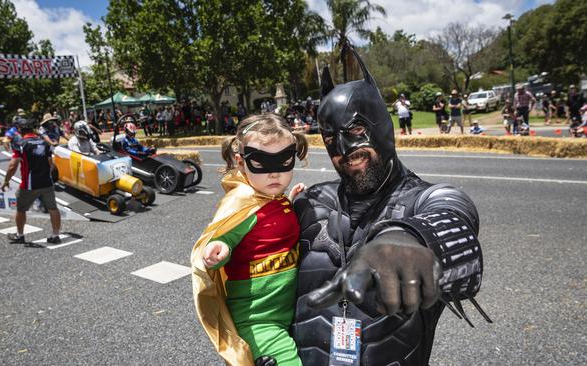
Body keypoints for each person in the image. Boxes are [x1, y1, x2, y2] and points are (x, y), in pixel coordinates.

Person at [291, 47, 488, 366]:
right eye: (330, 140)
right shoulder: (309, 204)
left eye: (356, 132)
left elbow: (453, 211)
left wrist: (410, 237)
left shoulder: (420, 200)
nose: (343, 150)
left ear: (384, 125)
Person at [191, 113, 308, 366]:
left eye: (284, 161)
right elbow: (226, 235)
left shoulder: (276, 199)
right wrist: (218, 247)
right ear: (241, 162)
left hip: (290, 312)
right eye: (262, 163)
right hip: (257, 321)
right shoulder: (243, 204)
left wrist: (294, 203)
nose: (274, 173)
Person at [1, 117, 61, 244]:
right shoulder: (45, 144)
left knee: (21, 209)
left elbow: (12, 166)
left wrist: (6, 181)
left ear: (21, 130)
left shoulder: (21, 145)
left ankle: (20, 235)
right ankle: (55, 235)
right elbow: (51, 164)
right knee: (53, 209)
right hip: (47, 183)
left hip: (29, 185)